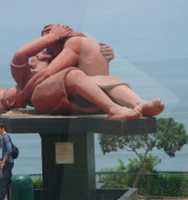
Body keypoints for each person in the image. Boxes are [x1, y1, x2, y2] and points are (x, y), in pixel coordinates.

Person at [0, 24, 164, 120]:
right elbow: (20, 55)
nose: (44, 49)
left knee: (101, 79)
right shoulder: (26, 73)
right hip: (43, 99)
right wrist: (52, 36)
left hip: (73, 101)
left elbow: (90, 76)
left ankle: (139, 104)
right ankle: (113, 109)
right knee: (73, 75)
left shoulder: (58, 66)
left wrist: (104, 55)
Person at [0, 124, 14, 200]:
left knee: (3, 182)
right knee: (7, 181)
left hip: (8, 163)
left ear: (2, 128)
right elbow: (2, 147)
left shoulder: (5, 137)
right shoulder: (3, 137)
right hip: (8, 163)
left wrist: (3, 162)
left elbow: (9, 150)